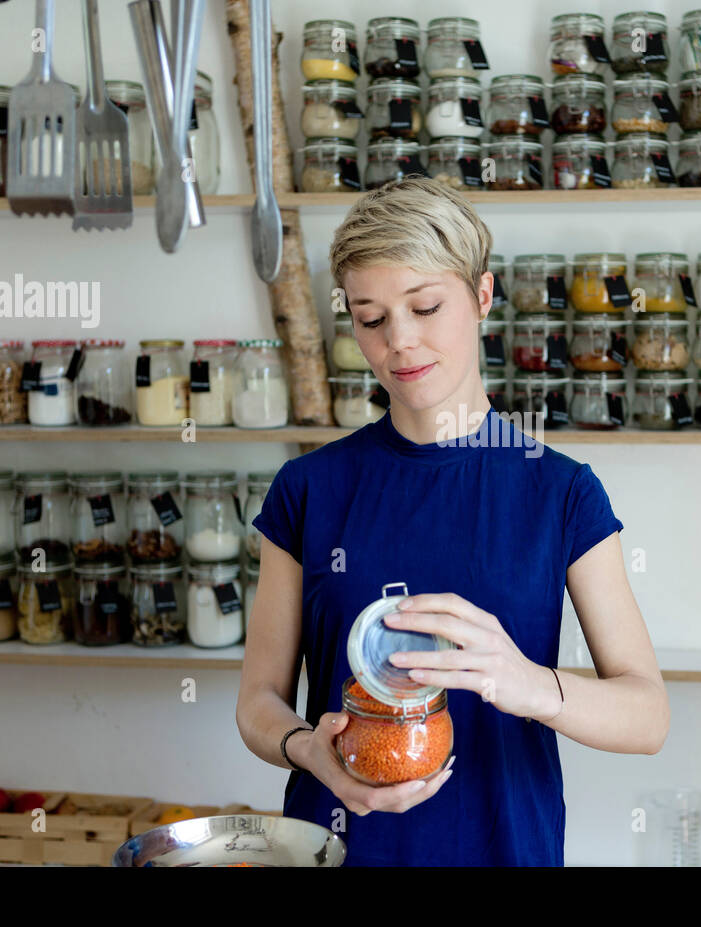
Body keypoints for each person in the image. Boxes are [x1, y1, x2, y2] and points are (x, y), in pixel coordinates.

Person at [237, 177, 668, 866]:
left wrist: (529, 685)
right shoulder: (308, 489)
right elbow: (258, 701)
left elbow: (647, 716)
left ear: (484, 296)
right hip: (338, 848)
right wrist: (305, 749)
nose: (400, 343)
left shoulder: (561, 493)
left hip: (504, 848)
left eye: (426, 306)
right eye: (371, 318)